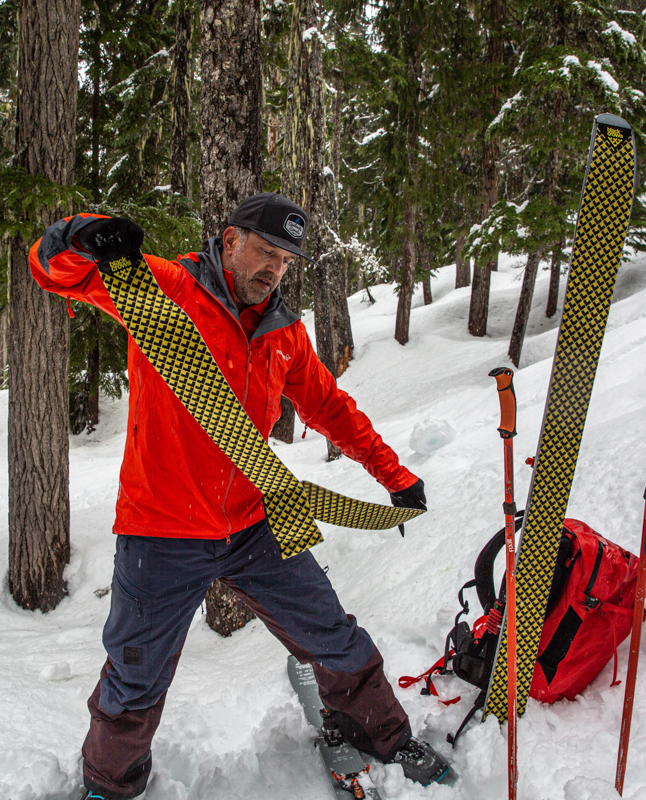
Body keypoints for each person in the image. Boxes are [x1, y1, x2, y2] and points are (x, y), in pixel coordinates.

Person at [29, 192, 439, 800]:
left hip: (253, 526)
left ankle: (381, 736)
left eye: (286, 260)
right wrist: (83, 235)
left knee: (335, 636)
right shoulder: (163, 289)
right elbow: (52, 270)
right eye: (266, 251)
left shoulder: (283, 334)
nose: (274, 269)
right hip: (160, 533)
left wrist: (393, 475)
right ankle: (107, 787)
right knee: (134, 678)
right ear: (228, 240)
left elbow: (331, 409)